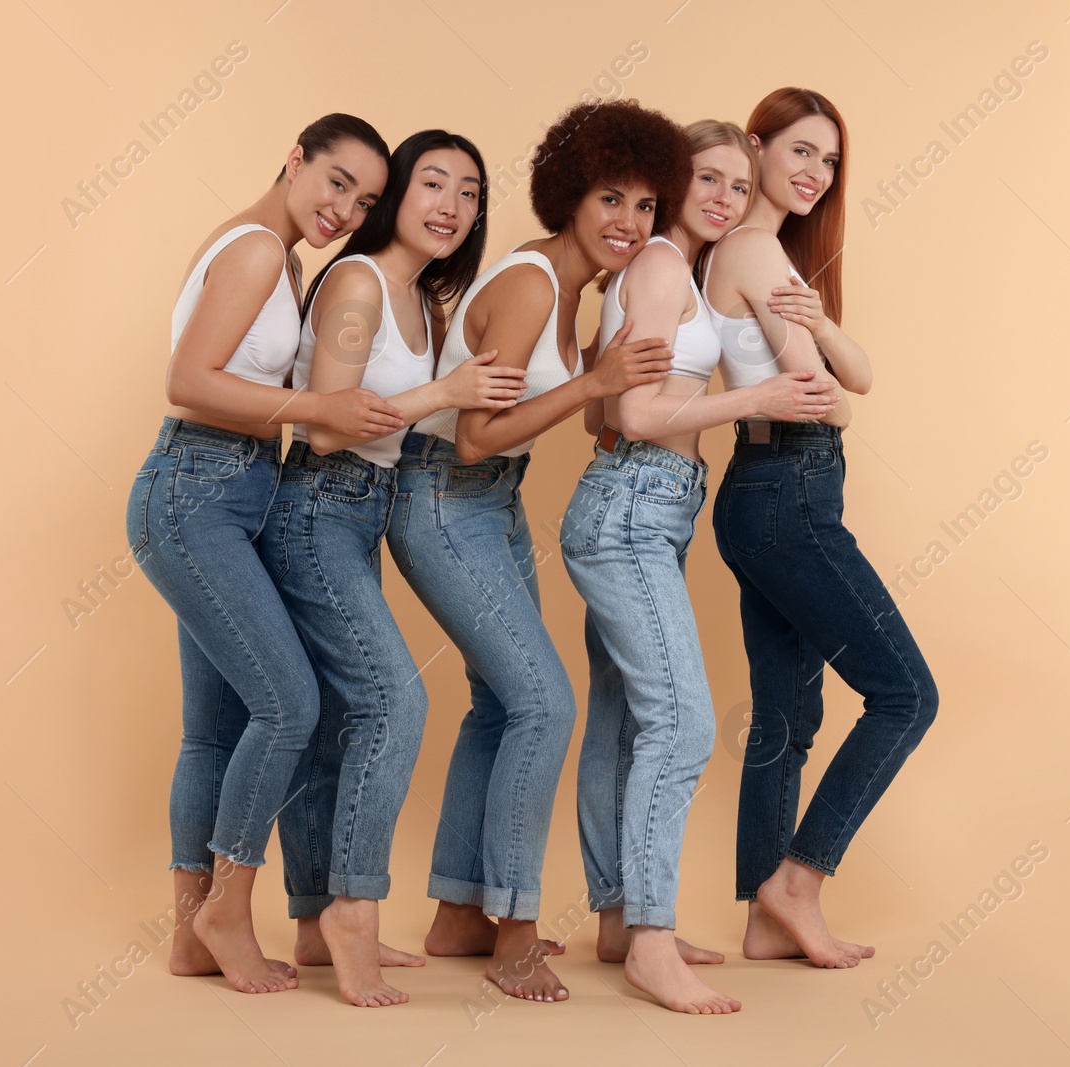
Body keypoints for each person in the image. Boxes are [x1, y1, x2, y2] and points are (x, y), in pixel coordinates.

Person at [390, 99, 684, 1003]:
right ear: (567, 196)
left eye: (644, 206)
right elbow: (477, 435)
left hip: (494, 502)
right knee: (545, 704)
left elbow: (591, 423)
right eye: (610, 200)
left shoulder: (579, 290)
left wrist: (608, 381)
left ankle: (459, 912)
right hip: (443, 493)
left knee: (495, 706)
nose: (629, 224)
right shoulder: (527, 283)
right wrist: (594, 377)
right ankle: (514, 929)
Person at [562, 119, 834, 1015]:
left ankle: (620, 918)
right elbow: (634, 414)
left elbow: (607, 410)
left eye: (735, 183)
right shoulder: (661, 267)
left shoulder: (662, 270)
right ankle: (648, 936)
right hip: (632, 507)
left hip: (645, 505)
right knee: (679, 726)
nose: (722, 198)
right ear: (672, 183)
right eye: (704, 180)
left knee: (625, 721)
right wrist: (756, 397)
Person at [125, 114, 401, 993]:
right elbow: (187, 380)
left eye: (364, 204)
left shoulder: (277, 258)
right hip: (196, 492)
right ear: (293, 158)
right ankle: (228, 912)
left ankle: (188, 936)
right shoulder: (253, 251)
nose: (345, 210)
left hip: (230, 492)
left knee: (214, 728)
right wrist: (316, 412)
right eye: (336, 183)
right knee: (289, 703)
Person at [266, 129, 527, 1008]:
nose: (451, 206)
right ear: (392, 198)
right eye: (433, 184)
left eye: (469, 193)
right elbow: (329, 424)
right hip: (315, 506)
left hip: (362, 513)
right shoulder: (357, 280)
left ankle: (310, 918)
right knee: (394, 700)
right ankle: (353, 907)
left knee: (343, 714)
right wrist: (445, 396)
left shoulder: (423, 301)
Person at [703, 87, 938, 969]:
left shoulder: (763, 252)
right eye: (799, 150)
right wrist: (831, 369)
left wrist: (826, 333)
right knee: (907, 694)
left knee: (787, 715)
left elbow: (859, 375)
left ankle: (767, 917)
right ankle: (795, 883)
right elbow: (828, 395)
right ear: (754, 145)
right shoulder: (757, 247)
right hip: (788, 492)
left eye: (830, 160)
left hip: (763, 490)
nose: (815, 173)